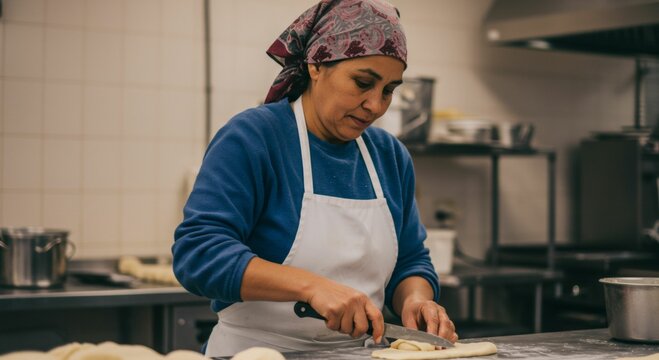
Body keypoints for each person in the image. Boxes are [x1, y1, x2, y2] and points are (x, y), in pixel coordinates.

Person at [172, 0, 458, 357]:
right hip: (255, 353)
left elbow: (411, 260)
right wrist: (311, 287)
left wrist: (416, 299)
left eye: (388, 90)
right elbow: (198, 254)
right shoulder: (255, 138)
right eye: (362, 82)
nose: (375, 105)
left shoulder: (389, 155)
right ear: (317, 65)